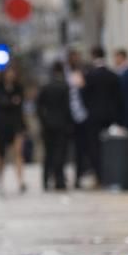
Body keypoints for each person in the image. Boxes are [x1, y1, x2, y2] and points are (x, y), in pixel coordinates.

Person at [82, 46, 123, 185]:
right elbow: (118, 98)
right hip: (110, 116)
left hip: (93, 116)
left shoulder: (89, 75)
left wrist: (90, 109)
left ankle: (99, 176)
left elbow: (84, 96)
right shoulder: (113, 75)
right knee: (110, 147)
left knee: (94, 147)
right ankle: (110, 175)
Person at [37, 60, 73, 191]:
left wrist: (43, 121)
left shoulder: (46, 87)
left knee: (48, 153)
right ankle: (59, 180)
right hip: (62, 125)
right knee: (60, 153)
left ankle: (46, 180)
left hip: (48, 125)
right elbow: (68, 108)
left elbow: (39, 107)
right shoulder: (64, 87)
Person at [0, 64, 27, 195]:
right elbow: (0, 102)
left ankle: (20, 181)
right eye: (8, 72)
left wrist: (9, 102)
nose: (10, 75)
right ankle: (0, 180)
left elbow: (19, 104)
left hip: (16, 124)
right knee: (1, 155)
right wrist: (11, 101)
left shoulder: (19, 88)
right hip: (1, 126)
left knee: (18, 153)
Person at [65, 48, 91, 188]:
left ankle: (79, 175)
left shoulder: (83, 73)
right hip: (68, 117)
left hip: (82, 116)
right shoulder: (65, 74)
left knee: (81, 148)